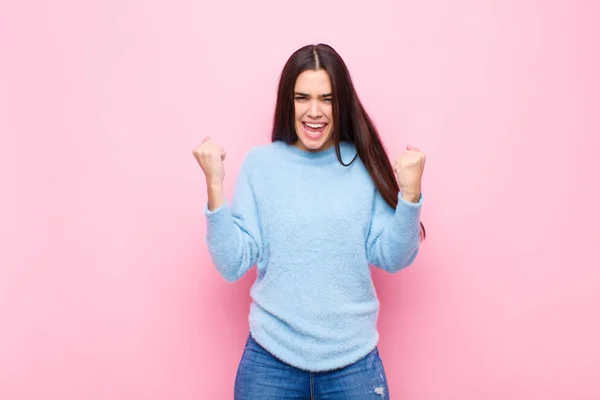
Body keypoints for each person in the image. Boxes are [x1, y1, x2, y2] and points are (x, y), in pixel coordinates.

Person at [193, 43, 426, 399]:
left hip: (353, 362)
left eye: (327, 99)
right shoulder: (262, 166)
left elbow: (393, 258)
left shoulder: (362, 165)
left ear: (341, 102)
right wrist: (214, 183)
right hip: (270, 361)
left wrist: (410, 197)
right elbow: (231, 263)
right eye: (302, 97)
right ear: (288, 101)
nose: (314, 111)